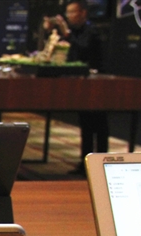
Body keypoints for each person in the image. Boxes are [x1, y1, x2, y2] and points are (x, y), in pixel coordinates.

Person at [49, 0, 108, 175]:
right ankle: (85, 164)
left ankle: (102, 165)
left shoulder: (92, 30)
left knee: (100, 127)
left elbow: (82, 49)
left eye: (72, 12)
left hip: (97, 85)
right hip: (83, 85)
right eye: (67, 13)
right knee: (86, 126)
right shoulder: (76, 31)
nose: (69, 16)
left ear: (83, 13)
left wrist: (66, 32)